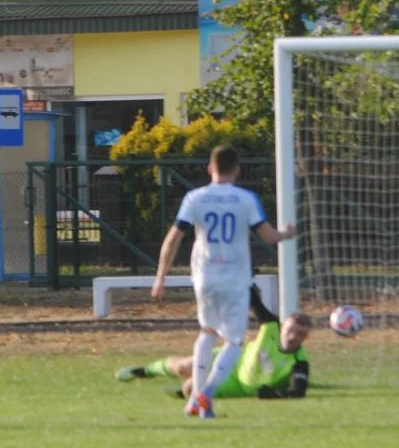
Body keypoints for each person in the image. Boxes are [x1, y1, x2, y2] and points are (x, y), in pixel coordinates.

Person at [152, 145, 297, 419]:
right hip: (234, 279)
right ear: (237, 170)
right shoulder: (245, 198)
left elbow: (173, 239)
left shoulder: (195, 197)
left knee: (207, 333)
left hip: (205, 277)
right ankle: (206, 393)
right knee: (234, 341)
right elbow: (267, 236)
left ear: (210, 168)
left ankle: (195, 400)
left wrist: (160, 277)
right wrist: (286, 234)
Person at [118, 285, 312, 401]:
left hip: (239, 386)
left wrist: (273, 394)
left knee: (191, 388)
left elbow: (297, 391)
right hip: (234, 359)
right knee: (184, 366)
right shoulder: (270, 326)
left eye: (301, 334)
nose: (294, 336)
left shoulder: (299, 362)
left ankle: (184, 392)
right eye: (291, 330)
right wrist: (243, 275)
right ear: (283, 325)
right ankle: (144, 371)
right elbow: (253, 300)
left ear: (306, 338)